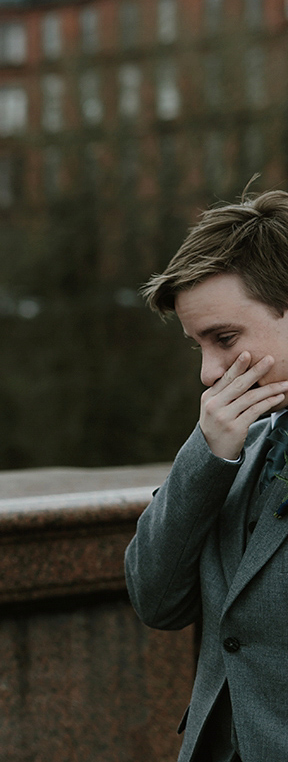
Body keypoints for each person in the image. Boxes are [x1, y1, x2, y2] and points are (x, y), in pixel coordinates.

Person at [126, 189, 288, 762]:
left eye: (224, 339)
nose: (209, 372)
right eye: (197, 346)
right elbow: (156, 600)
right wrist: (206, 458)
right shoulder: (236, 441)